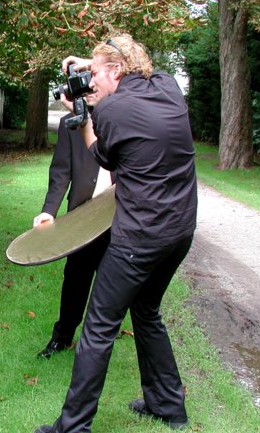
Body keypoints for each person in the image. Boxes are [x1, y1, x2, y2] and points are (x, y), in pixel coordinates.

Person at [35, 33, 197, 432]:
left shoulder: (113, 111)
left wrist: (84, 118)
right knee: (146, 311)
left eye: (96, 74)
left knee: (99, 326)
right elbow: (128, 70)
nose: (91, 83)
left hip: (139, 237)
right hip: (180, 232)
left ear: (117, 70)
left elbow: (97, 152)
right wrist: (84, 62)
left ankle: (72, 427)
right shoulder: (168, 87)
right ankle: (168, 407)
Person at [34, 93, 110, 359]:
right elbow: (60, 172)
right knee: (75, 279)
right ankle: (62, 338)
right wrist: (48, 211)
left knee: (110, 285)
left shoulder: (123, 120)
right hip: (82, 218)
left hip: (120, 218)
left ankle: (95, 347)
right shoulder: (70, 123)